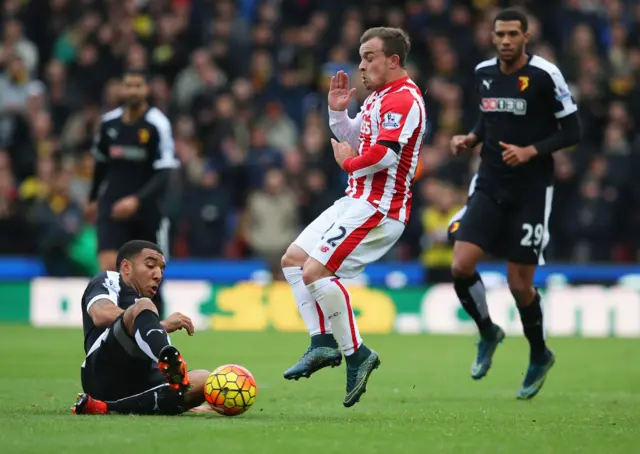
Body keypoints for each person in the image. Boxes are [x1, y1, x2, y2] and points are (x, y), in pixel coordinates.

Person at [280, 27, 426, 407]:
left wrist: (349, 163)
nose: (361, 65)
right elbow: (353, 137)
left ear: (393, 61)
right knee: (294, 261)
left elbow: (385, 155)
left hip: (380, 208)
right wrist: (337, 110)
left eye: (369, 57)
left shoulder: (405, 100)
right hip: (355, 200)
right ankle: (322, 342)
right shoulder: (379, 98)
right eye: (361, 57)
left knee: (316, 272)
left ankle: (357, 353)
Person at [448, 8, 581, 400]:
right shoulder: (482, 74)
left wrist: (531, 151)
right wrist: (470, 139)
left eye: (512, 34)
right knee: (460, 264)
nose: (506, 40)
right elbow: (486, 117)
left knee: (519, 286)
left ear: (526, 36)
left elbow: (573, 130)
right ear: (492, 37)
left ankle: (539, 354)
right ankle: (488, 331)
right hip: (489, 184)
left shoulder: (545, 75)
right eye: (500, 34)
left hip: (531, 191)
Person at [72, 240, 210, 415]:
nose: (158, 275)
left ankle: (105, 408)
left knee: (206, 380)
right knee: (143, 307)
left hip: (140, 382)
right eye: (150, 265)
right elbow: (101, 314)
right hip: (103, 373)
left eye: (161, 269)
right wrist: (163, 325)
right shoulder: (111, 280)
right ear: (126, 267)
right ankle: (166, 359)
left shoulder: (147, 313)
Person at [86, 69, 179, 317]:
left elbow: (165, 172)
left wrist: (137, 200)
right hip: (112, 206)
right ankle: (115, 334)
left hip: (146, 210)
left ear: (146, 90)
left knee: (150, 277)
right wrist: (93, 198)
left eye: (137, 86)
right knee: (108, 271)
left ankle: (156, 333)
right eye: (128, 86)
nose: (132, 91)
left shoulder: (157, 124)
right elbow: (101, 165)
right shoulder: (109, 124)